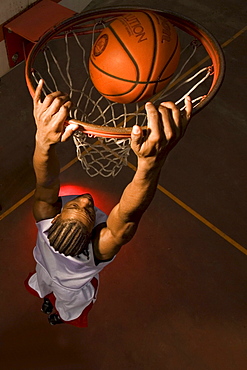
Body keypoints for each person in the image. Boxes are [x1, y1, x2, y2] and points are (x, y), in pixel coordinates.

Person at [25, 79, 192, 327]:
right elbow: (126, 217)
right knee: (70, 305)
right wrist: (149, 165)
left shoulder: (45, 221)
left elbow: (46, 181)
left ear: (56, 219)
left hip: (45, 267)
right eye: (88, 210)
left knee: (43, 281)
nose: (85, 200)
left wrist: (43, 140)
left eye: (75, 206)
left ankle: (48, 299)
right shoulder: (96, 251)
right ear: (92, 233)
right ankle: (61, 314)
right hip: (70, 287)